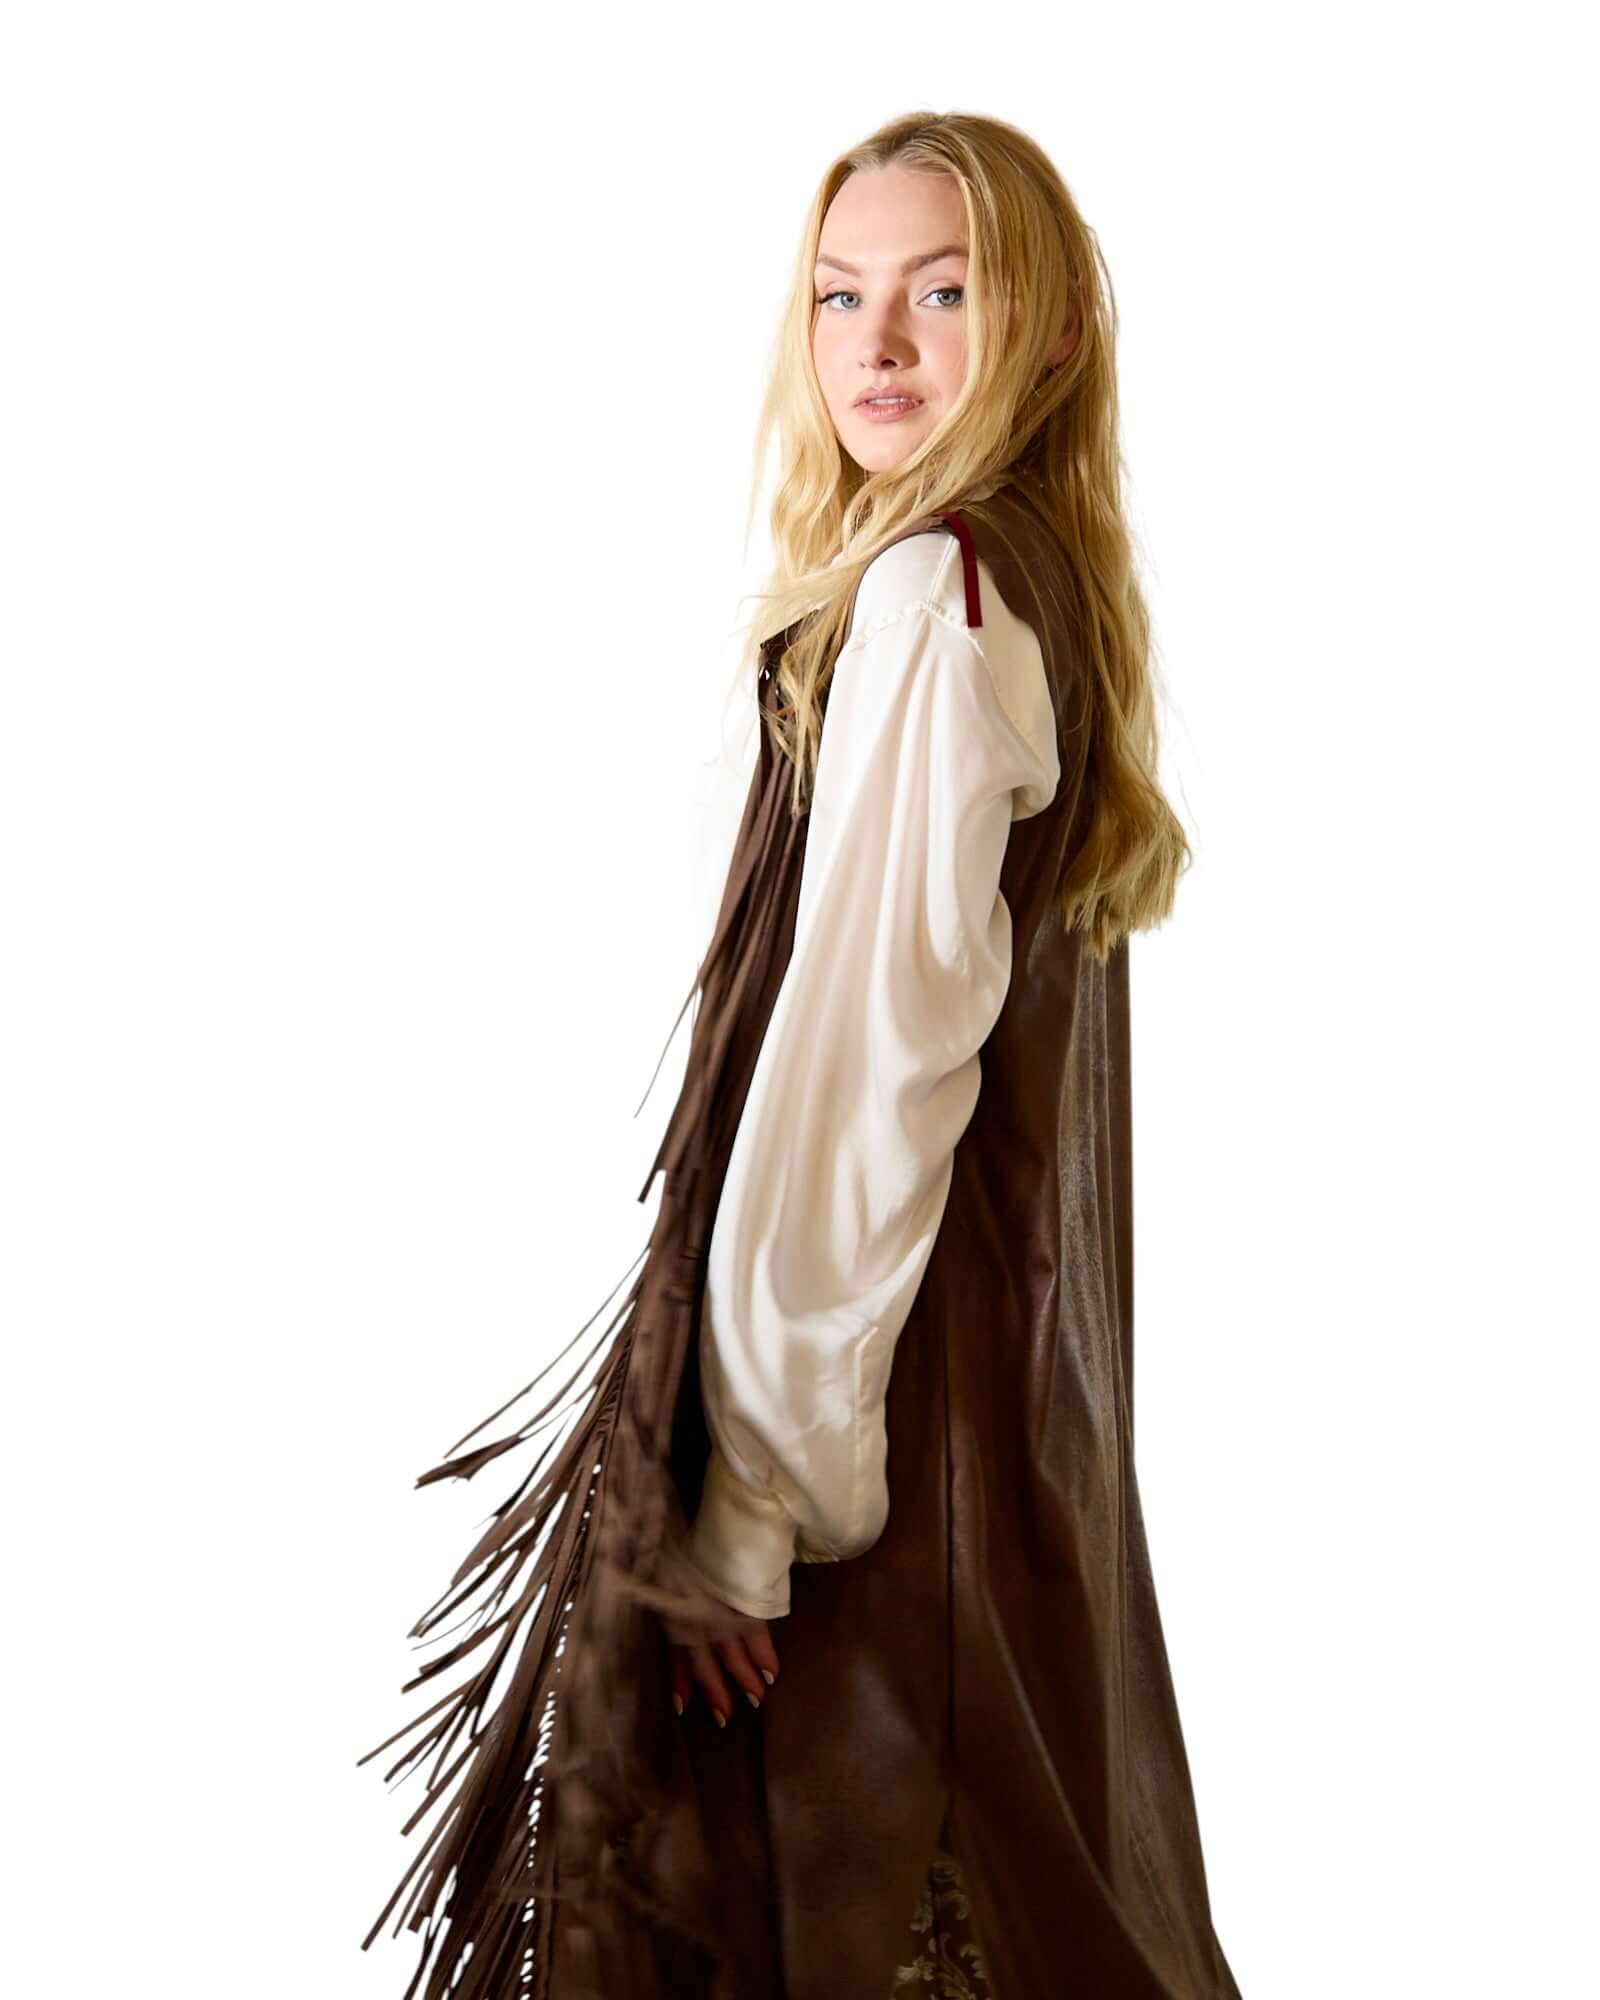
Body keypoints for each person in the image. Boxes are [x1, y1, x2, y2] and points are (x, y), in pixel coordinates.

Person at [360, 110, 1245, 2000]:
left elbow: (872, 1082)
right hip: (996, 1458)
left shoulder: (940, 597)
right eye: (842, 296)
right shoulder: (1023, 584)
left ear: (1049, 328)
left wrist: (746, 1505)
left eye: (943, 292)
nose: (882, 345)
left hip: (878, 1473)